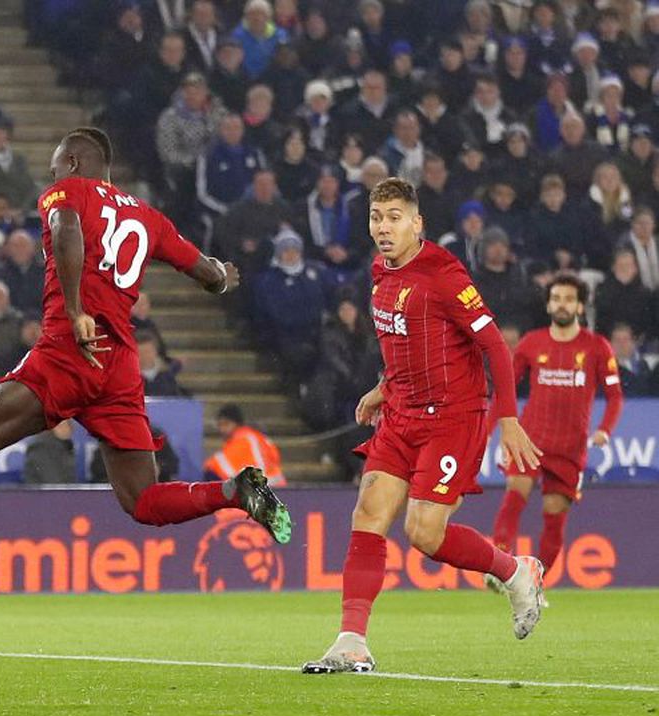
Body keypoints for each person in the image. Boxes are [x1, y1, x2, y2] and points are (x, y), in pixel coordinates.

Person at [0, 126, 291, 548]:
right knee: (143, 501)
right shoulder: (149, 218)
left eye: (56, 167)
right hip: (118, 368)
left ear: (74, 162)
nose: (52, 176)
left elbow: (65, 228)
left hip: (68, 352)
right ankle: (234, 491)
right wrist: (221, 277)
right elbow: (208, 273)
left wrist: (76, 310)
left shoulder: (67, 192)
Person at [302, 177, 545, 675]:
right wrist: (382, 388)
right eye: (376, 217)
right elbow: (408, 344)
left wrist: (510, 418)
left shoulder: (445, 274)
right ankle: (351, 642)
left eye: (394, 218)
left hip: (453, 419)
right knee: (368, 512)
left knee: (424, 532)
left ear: (417, 223)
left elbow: (496, 346)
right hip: (401, 413)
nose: (384, 228)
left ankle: (517, 571)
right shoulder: (379, 272)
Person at [489, 277, 623, 588]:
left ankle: (534, 584)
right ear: (549, 304)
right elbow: (505, 389)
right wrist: (490, 428)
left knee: (554, 516)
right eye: (557, 298)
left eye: (569, 298)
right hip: (531, 439)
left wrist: (604, 429)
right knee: (514, 496)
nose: (562, 303)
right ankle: (499, 566)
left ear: (579, 306)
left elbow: (615, 396)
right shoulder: (531, 343)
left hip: (570, 448)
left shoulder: (597, 347)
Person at [203, 404, 286, 487]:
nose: (222, 429)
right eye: (220, 425)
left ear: (237, 424)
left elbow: (216, 465)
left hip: (261, 490)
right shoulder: (257, 437)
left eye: (226, 424)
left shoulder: (242, 440)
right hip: (278, 488)